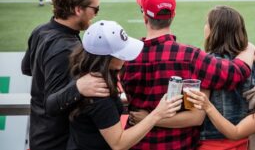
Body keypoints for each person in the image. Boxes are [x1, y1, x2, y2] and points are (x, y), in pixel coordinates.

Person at [120, 0, 254, 150]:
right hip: (179, 145)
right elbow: (234, 73)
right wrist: (250, 48)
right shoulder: (191, 56)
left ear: (144, 16)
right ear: (173, 15)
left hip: (137, 143)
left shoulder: (126, 57)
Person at [21, 0, 110, 150]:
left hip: (39, 133)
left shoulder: (41, 30)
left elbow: (27, 68)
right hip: (56, 141)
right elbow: (51, 105)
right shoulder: (66, 48)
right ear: (78, 9)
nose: (96, 14)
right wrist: (78, 87)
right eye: (95, 9)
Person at [67, 20, 183, 150]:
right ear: (107, 58)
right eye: (121, 52)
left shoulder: (84, 76)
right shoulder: (98, 92)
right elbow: (119, 143)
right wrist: (157, 114)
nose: (126, 58)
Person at [197, 6, 255, 150]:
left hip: (211, 142)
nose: (204, 27)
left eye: (207, 23)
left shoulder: (207, 63)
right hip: (244, 139)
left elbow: (196, 112)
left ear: (214, 31)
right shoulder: (253, 62)